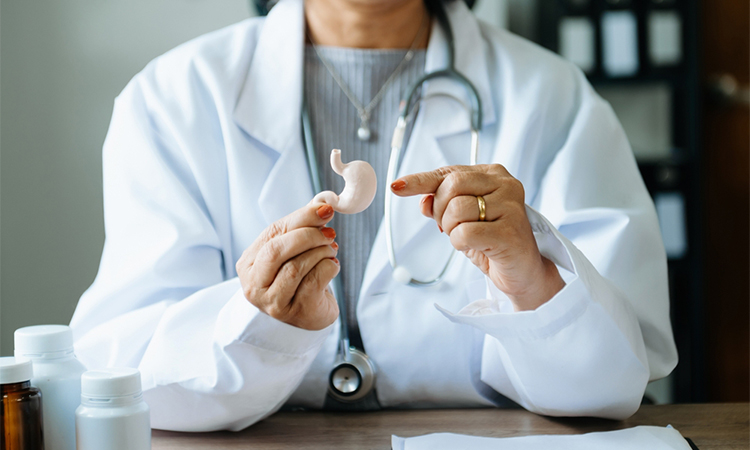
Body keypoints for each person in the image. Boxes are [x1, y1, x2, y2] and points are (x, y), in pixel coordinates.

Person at [69, 0, 678, 432]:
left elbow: (615, 384)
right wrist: (255, 321)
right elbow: (126, 377)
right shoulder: (172, 98)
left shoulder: (551, 96)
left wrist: (534, 281)